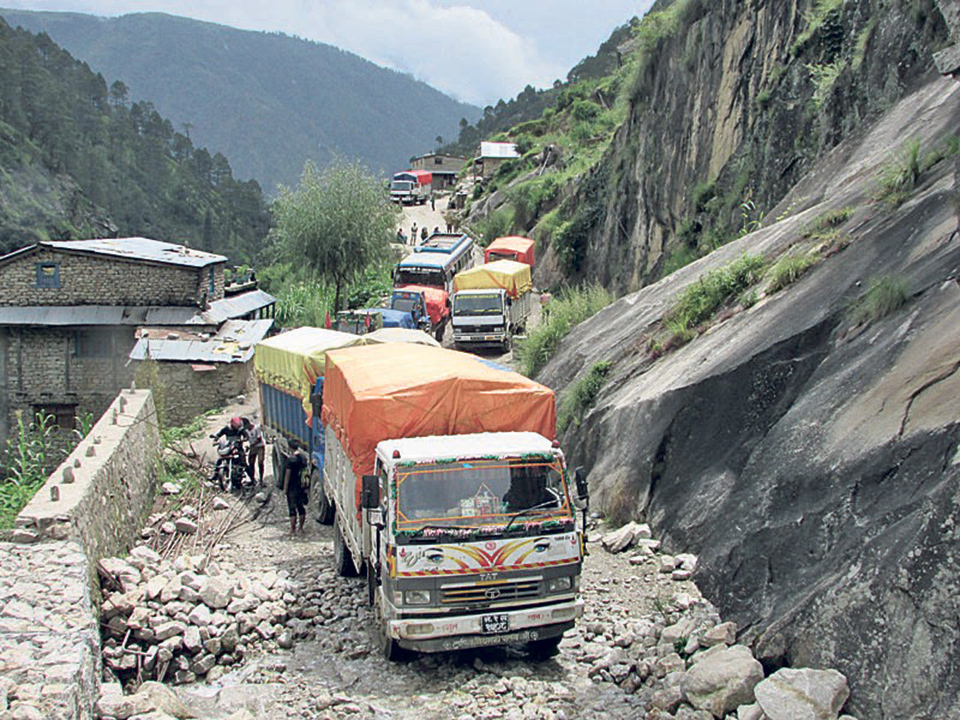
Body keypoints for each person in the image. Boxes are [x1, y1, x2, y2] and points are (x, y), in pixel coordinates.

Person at [283, 439, 309, 536]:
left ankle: (292, 530)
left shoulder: (291, 460)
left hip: (292, 487)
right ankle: (301, 528)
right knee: (301, 507)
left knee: (292, 508)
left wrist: (285, 489)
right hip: (301, 486)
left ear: (290, 447)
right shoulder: (303, 458)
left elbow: (287, 475)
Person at [210, 416, 248, 481]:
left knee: (243, 462)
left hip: (238, 448)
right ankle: (215, 475)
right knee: (219, 460)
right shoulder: (226, 428)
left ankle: (252, 479)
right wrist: (215, 441)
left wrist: (242, 440)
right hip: (229, 447)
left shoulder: (240, 429)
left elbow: (246, 436)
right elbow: (218, 435)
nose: (237, 427)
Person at [243, 417, 265, 486]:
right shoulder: (246, 430)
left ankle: (261, 479)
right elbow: (247, 438)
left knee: (260, 462)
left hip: (259, 446)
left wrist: (251, 445)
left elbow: (259, 439)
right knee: (251, 463)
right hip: (252, 447)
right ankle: (252, 479)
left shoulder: (256, 428)